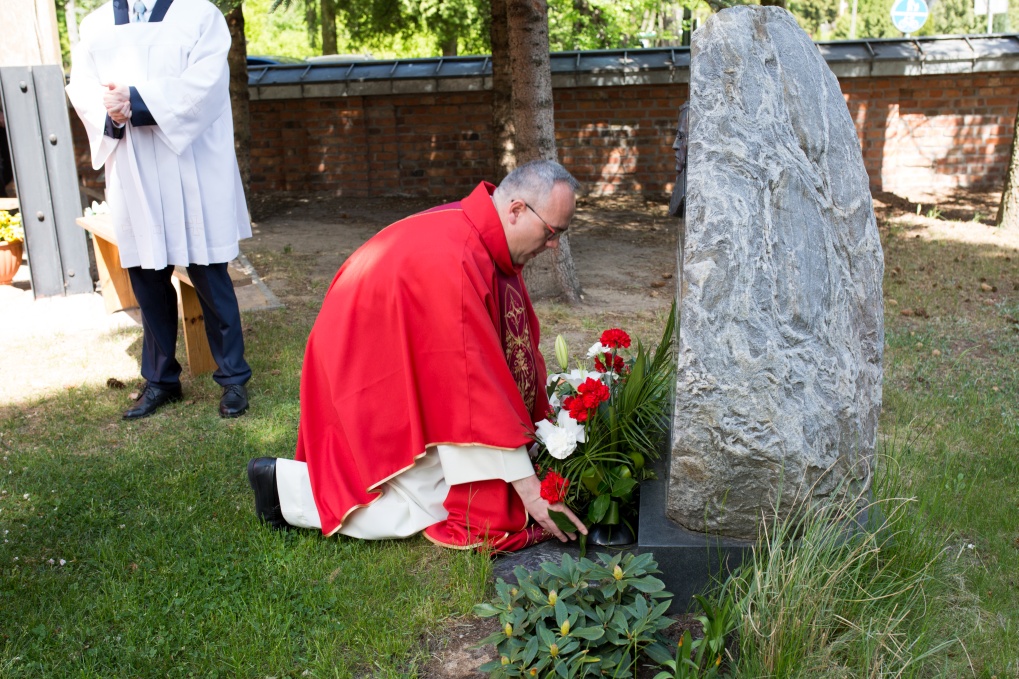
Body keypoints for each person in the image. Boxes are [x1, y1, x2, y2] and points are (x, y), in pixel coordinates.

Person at [247, 160, 588, 551]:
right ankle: (284, 489)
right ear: (515, 210)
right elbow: (471, 385)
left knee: (466, 476)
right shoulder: (459, 258)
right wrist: (529, 490)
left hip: (395, 351)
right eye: (552, 232)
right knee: (425, 501)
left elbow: (485, 363)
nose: (554, 245)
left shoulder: (484, 237)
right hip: (361, 369)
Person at [65, 0, 252, 420]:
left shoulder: (199, 15)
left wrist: (138, 100)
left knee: (209, 273)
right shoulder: (96, 24)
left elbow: (206, 84)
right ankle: (161, 379)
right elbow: (83, 86)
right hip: (133, 166)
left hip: (191, 164)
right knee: (146, 277)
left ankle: (233, 378)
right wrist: (111, 110)